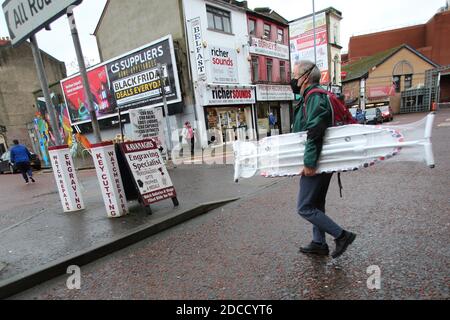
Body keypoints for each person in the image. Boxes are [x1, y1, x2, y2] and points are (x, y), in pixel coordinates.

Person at [290, 60, 356, 259]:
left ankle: (341, 235)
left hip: (318, 160)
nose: (293, 79)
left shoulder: (314, 97)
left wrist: (310, 163)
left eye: (294, 75)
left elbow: (315, 130)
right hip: (323, 159)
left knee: (304, 207)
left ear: (305, 77)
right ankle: (319, 243)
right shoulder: (313, 96)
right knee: (316, 203)